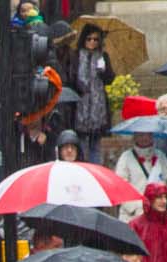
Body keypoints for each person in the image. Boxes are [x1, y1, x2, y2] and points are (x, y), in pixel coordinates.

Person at [65, 24, 115, 163]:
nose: (92, 42)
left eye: (96, 39)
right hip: (80, 105)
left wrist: (104, 69)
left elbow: (110, 79)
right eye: (89, 39)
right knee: (79, 143)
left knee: (95, 145)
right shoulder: (75, 56)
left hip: (98, 108)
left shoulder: (103, 56)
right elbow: (70, 78)